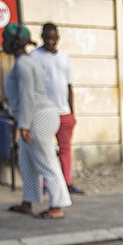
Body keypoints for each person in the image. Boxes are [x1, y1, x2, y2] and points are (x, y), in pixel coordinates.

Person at [1, 23, 68, 218]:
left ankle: (57, 207)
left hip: (36, 117)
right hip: (39, 114)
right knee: (27, 162)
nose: (2, 44)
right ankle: (27, 202)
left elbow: (27, 96)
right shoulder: (29, 61)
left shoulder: (23, 63)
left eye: (4, 40)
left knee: (45, 162)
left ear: (14, 44)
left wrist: (24, 126)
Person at [33, 22, 82, 194]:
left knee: (65, 149)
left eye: (53, 38)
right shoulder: (35, 56)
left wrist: (72, 113)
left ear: (58, 38)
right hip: (45, 112)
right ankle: (47, 185)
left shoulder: (64, 58)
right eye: (47, 37)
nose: (50, 41)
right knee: (46, 150)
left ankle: (67, 183)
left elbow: (69, 86)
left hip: (64, 112)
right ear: (42, 37)